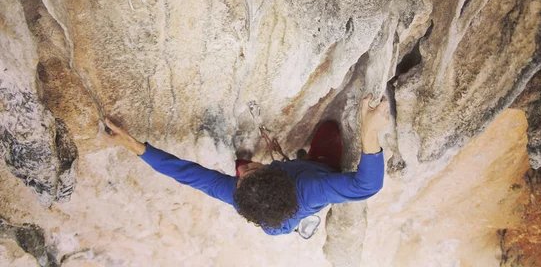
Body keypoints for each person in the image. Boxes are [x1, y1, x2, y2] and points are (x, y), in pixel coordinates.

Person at [99, 94, 389, 235]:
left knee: (238, 162)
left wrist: (136, 147)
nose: (240, 175)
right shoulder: (314, 188)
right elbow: (367, 185)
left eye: (240, 178)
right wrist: (369, 131)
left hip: (283, 201)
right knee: (328, 129)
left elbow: (190, 175)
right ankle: (313, 172)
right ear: (273, 175)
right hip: (319, 166)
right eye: (250, 171)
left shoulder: (242, 197)